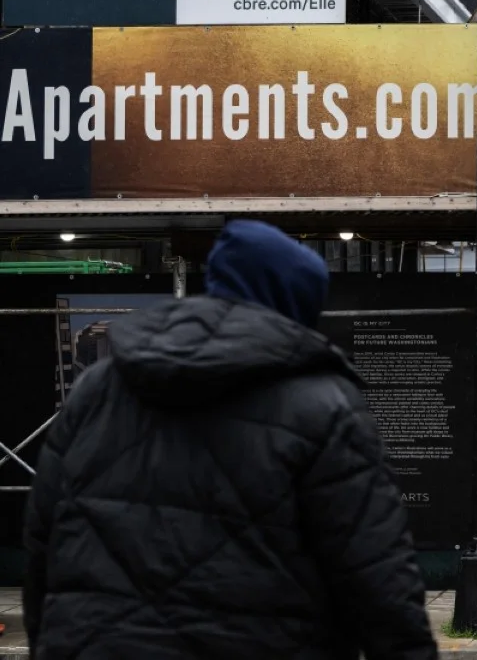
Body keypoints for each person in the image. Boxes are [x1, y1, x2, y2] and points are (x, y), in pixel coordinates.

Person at [22, 220, 438, 660]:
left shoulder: (99, 386)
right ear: (296, 303)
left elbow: (42, 544)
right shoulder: (326, 405)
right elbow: (379, 582)